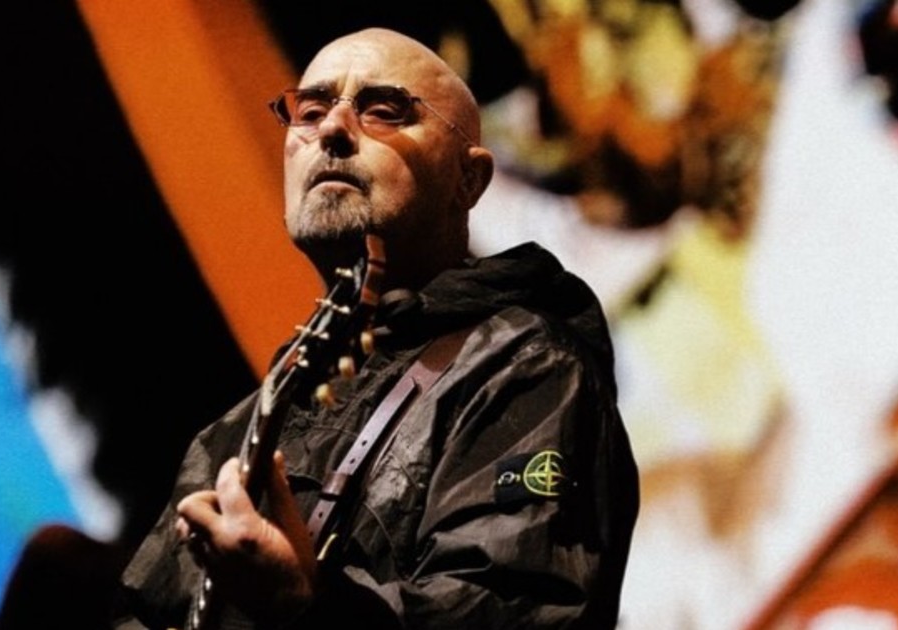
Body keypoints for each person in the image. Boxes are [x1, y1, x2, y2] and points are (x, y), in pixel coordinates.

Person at [115, 28, 639, 629]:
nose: (333, 129)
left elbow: (513, 612)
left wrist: (310, 606)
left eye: (385, 110)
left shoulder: (526, 369)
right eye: (310, 110)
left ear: (468, 179)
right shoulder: (233, 434)